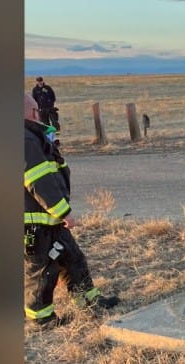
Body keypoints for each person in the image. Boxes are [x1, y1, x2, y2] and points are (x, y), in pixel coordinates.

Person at [24, 93, 119, 327]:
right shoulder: (24, 139)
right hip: (36, 223)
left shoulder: (32, 136)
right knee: (43, 270)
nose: (39, 114)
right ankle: (41, 318)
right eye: (35, 110)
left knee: (73, 258)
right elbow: (39, 180)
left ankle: (89, 302)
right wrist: (62, 212)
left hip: (49, 220)